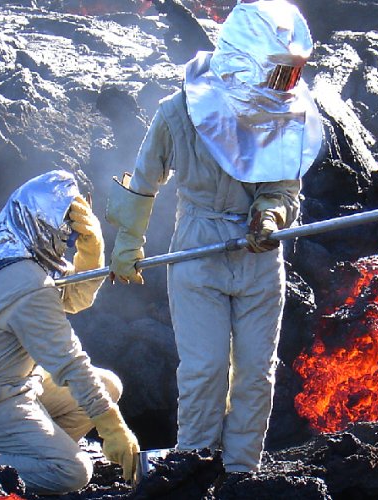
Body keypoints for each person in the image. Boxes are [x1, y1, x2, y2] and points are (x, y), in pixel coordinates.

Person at [104, 0, 323, 476]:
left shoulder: (283, 112)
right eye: (276, 74)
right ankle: (192, 469)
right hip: (198, 247)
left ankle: (240, 473)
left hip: (258, 254)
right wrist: (128, 242)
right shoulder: (179, 111)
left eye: (289, 77)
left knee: (255, 376)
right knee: (203, 370)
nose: (281, 87)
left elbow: (284, 186)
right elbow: (143, 180)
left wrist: (270, 216)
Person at [0, 170, 140, 494]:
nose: (67, 237)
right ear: (42, 224)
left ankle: (31, 455)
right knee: (73, 472)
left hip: (13, 387)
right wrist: (112, 427)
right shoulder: (24, 283)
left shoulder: (13, 263)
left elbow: (71, 300)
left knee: (108, 385)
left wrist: (92, 253)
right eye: (64, 228)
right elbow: (68, 360)